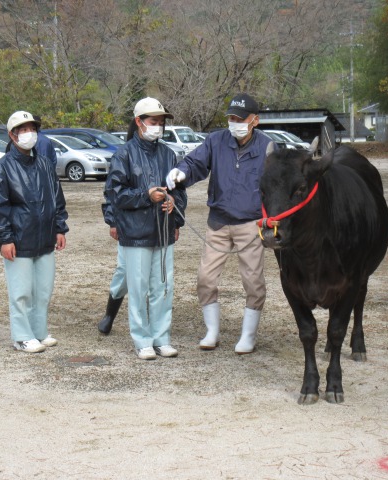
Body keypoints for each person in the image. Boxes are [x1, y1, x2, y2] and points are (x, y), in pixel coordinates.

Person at [165, 93, 276, 354]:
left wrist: (271, 217)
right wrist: (181, 172)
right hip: (218, 222)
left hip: (251, 224)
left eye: (241, 119)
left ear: (255, 120)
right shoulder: (216, 141)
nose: (235, 123)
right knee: (205, 278)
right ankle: (212, 331)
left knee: (253, 281)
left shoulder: (268, 148)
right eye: (231, 118)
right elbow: (195, 162)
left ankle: (248, 336)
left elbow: (278, 184)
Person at [106, 97, 187, 360]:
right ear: (139, 122)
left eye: (161, 122)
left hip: (163, 230)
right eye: (154, 121)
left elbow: (179, 189)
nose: (158, 126)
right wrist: (145, 195)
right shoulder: (124, 154)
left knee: (163, 287)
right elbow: (116, 194)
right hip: (135, 231)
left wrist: (174, 205)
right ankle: (142, 340)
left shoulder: (168, 154)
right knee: (139, 288)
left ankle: (161, 338)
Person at [0, 111, 69, 354]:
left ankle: (39, 331)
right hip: (19, 238)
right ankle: (22, 336)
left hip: (45, 237)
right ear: (12, 135)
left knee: (43, 290)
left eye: (32, 129)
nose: (29, 134)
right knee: (21, 291)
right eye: (23, 130)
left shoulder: (44, 164)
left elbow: (57, 198)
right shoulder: (2, 169)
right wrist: (5, 238)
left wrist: (59, 227)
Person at [97, 172, 127, 335]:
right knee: (124, 271)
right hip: (129, 223)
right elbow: (111, 191)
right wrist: (113, 221)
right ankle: (110, 314)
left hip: (157, 222)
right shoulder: (121, 159)